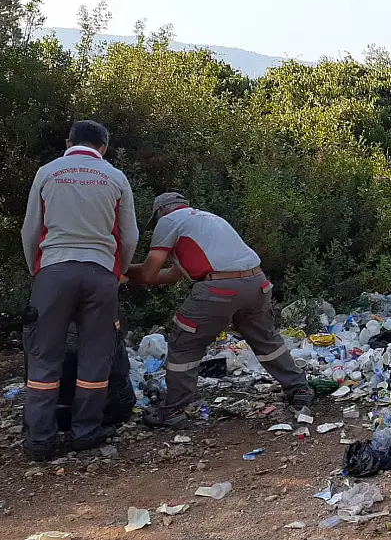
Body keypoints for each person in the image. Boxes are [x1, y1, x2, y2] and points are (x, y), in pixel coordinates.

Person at [126, 192, 312, 428]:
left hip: (219, 289)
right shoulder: (208, 219)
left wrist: (121, 270)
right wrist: (134, 277)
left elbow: (149, 272)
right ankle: (299, 389)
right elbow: (173, 275)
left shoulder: (169, 221)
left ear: (162, 211)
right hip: (257, 283)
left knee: (185, 345)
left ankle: (172, 411)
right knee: (266, 340)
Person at [19, 120, 139, 461]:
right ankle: (86, 432)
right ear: (104, 147)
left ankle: (39, 441)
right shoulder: (116, 177)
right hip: (101, 274)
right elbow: (129, 237)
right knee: (96, 355)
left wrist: (38, 271)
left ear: (69, 142)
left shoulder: (48, 172)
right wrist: (117, 271)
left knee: (44, 356)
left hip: (54, 271)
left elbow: (30, 230)